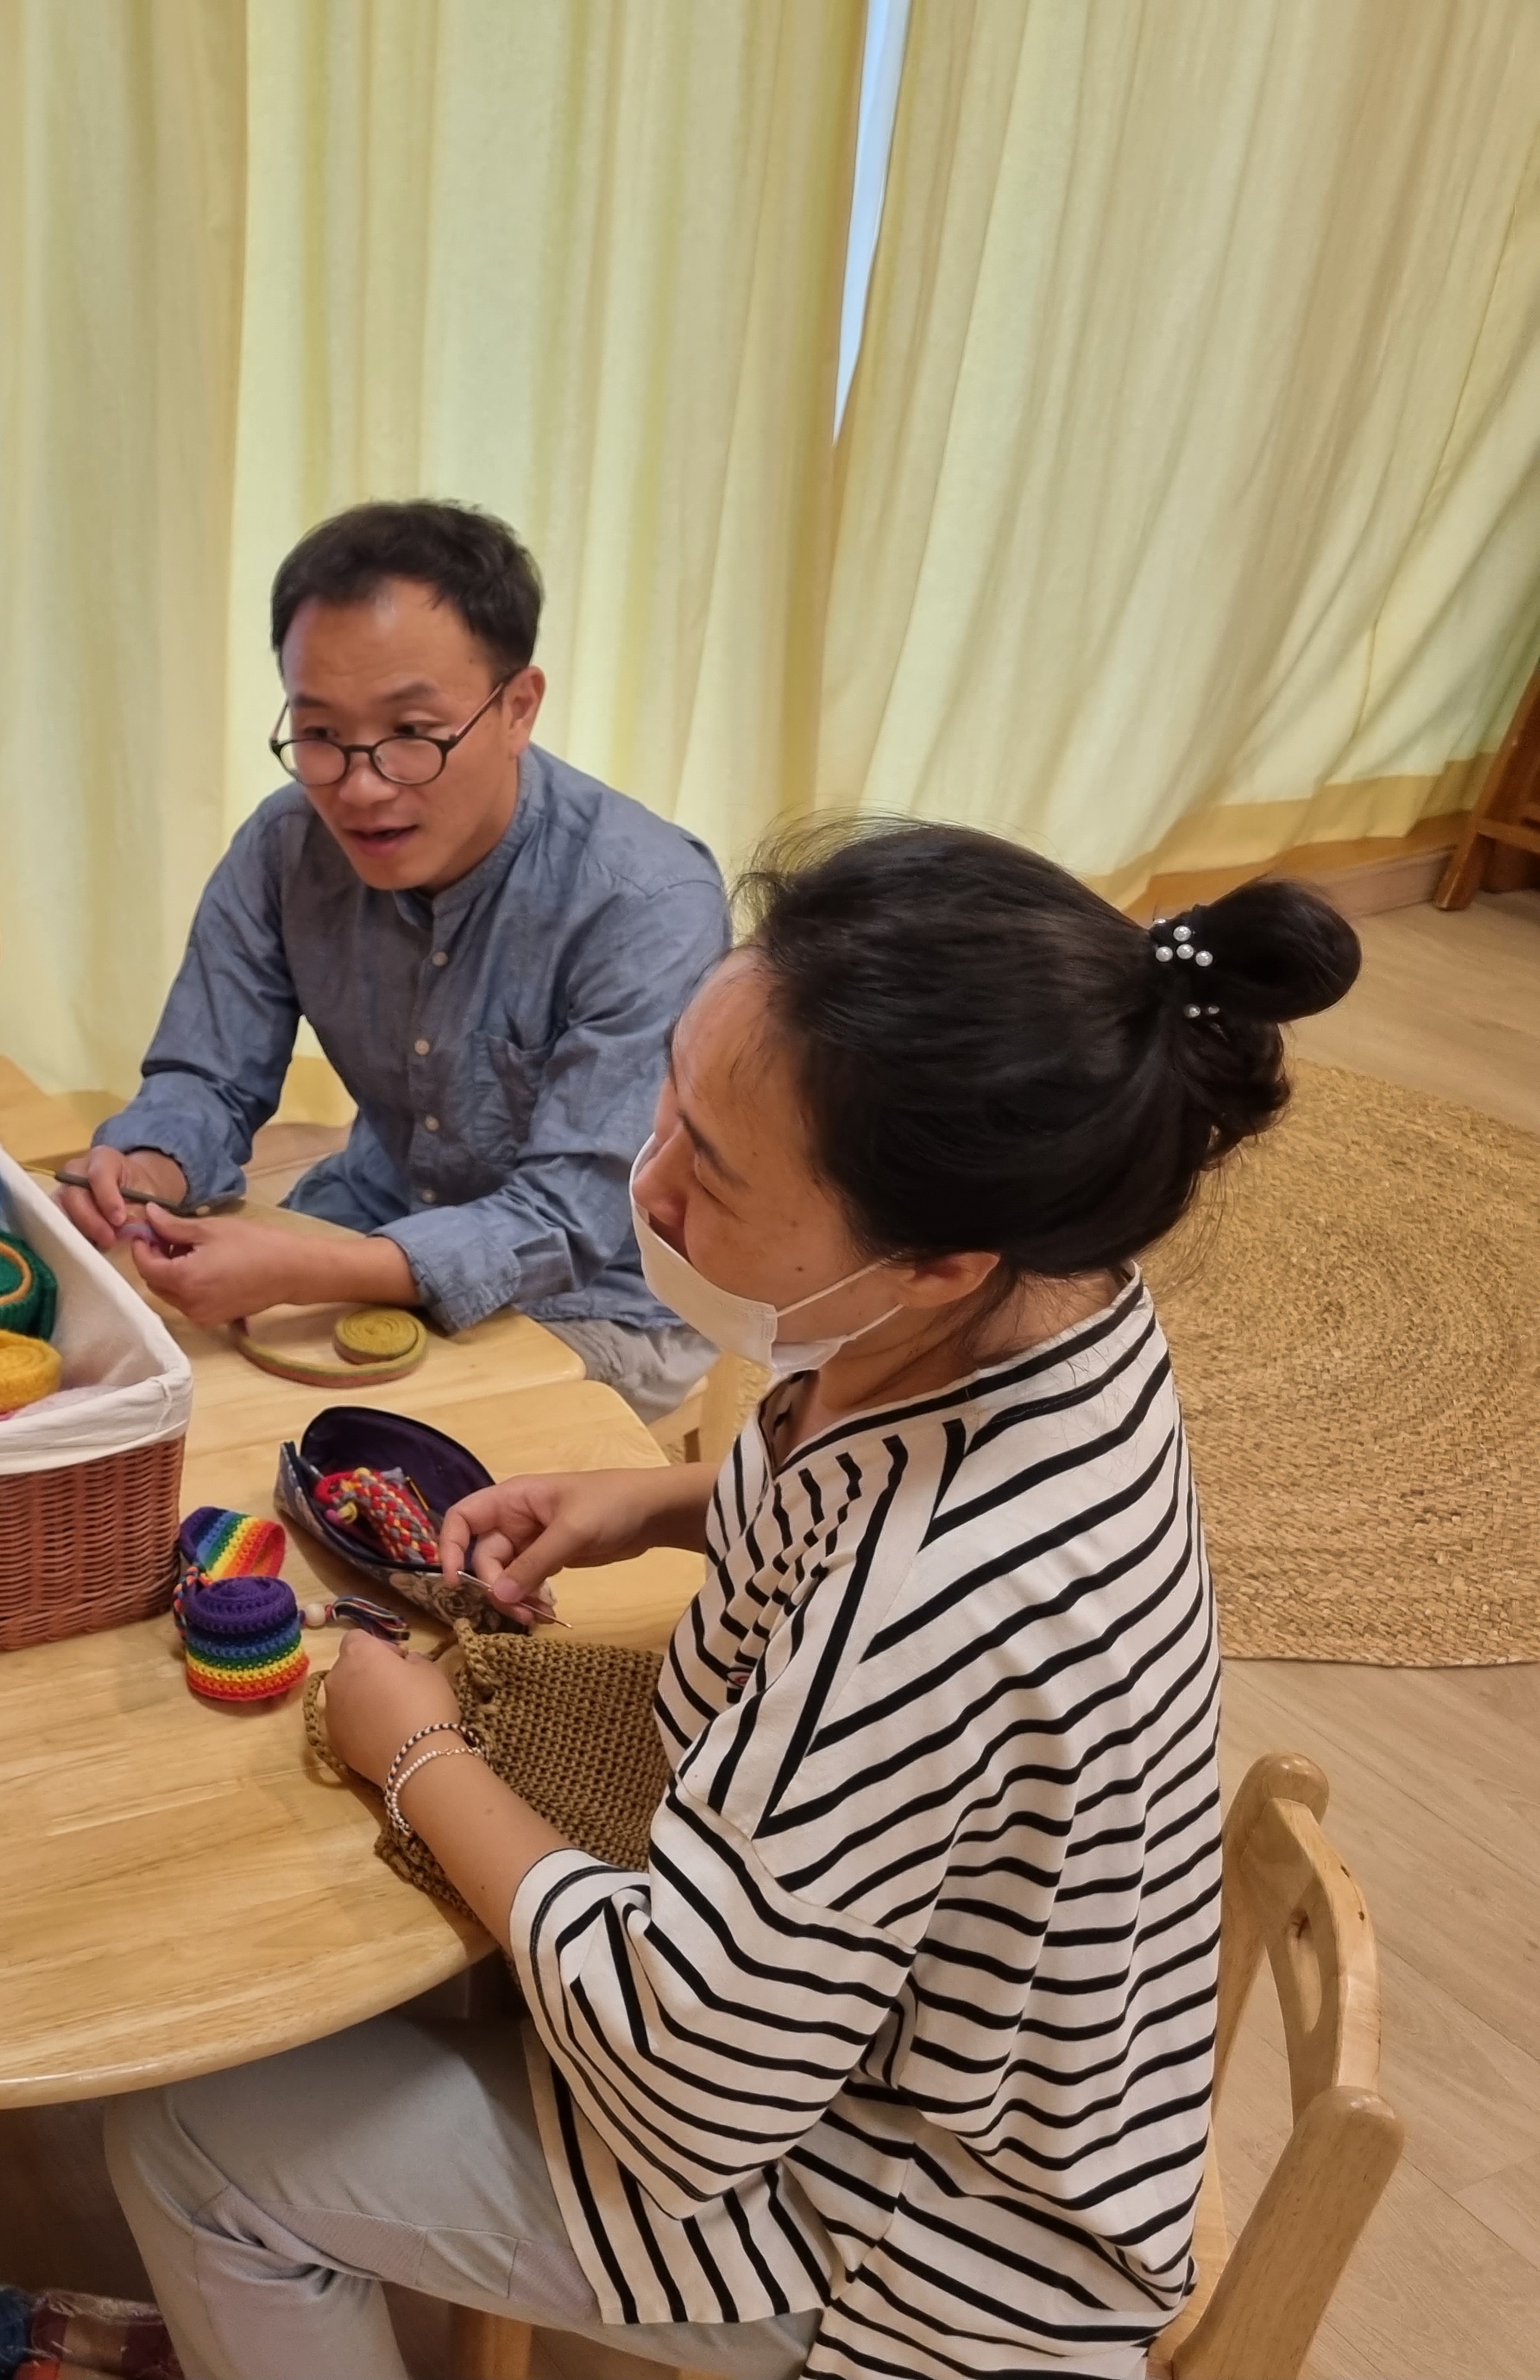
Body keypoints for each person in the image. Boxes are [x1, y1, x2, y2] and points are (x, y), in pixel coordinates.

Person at [106, 823, 1362, 2378]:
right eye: (670, 1103)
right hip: (984, 2062)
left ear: (936, 1259)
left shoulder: (930, 1610)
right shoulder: (1062, 1295)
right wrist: (656, 1502)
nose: (648, 1183)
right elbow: (863, 1494)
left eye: (710, 1164)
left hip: (920, 2238)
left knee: (190, 2140)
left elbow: (684, 2085)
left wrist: (414, 1750)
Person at [57, 501, 728, 1421]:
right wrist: (144, 1169)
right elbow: (208, 1077)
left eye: (412, 732)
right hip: (374, 1210)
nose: (361, 787)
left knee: (348, 1450)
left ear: (518, 708)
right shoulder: (286, 846)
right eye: (321, 735)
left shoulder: (645, 900)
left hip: (597, 1295)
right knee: (142, 1384)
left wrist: (307, 1270)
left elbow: (569, 1218)